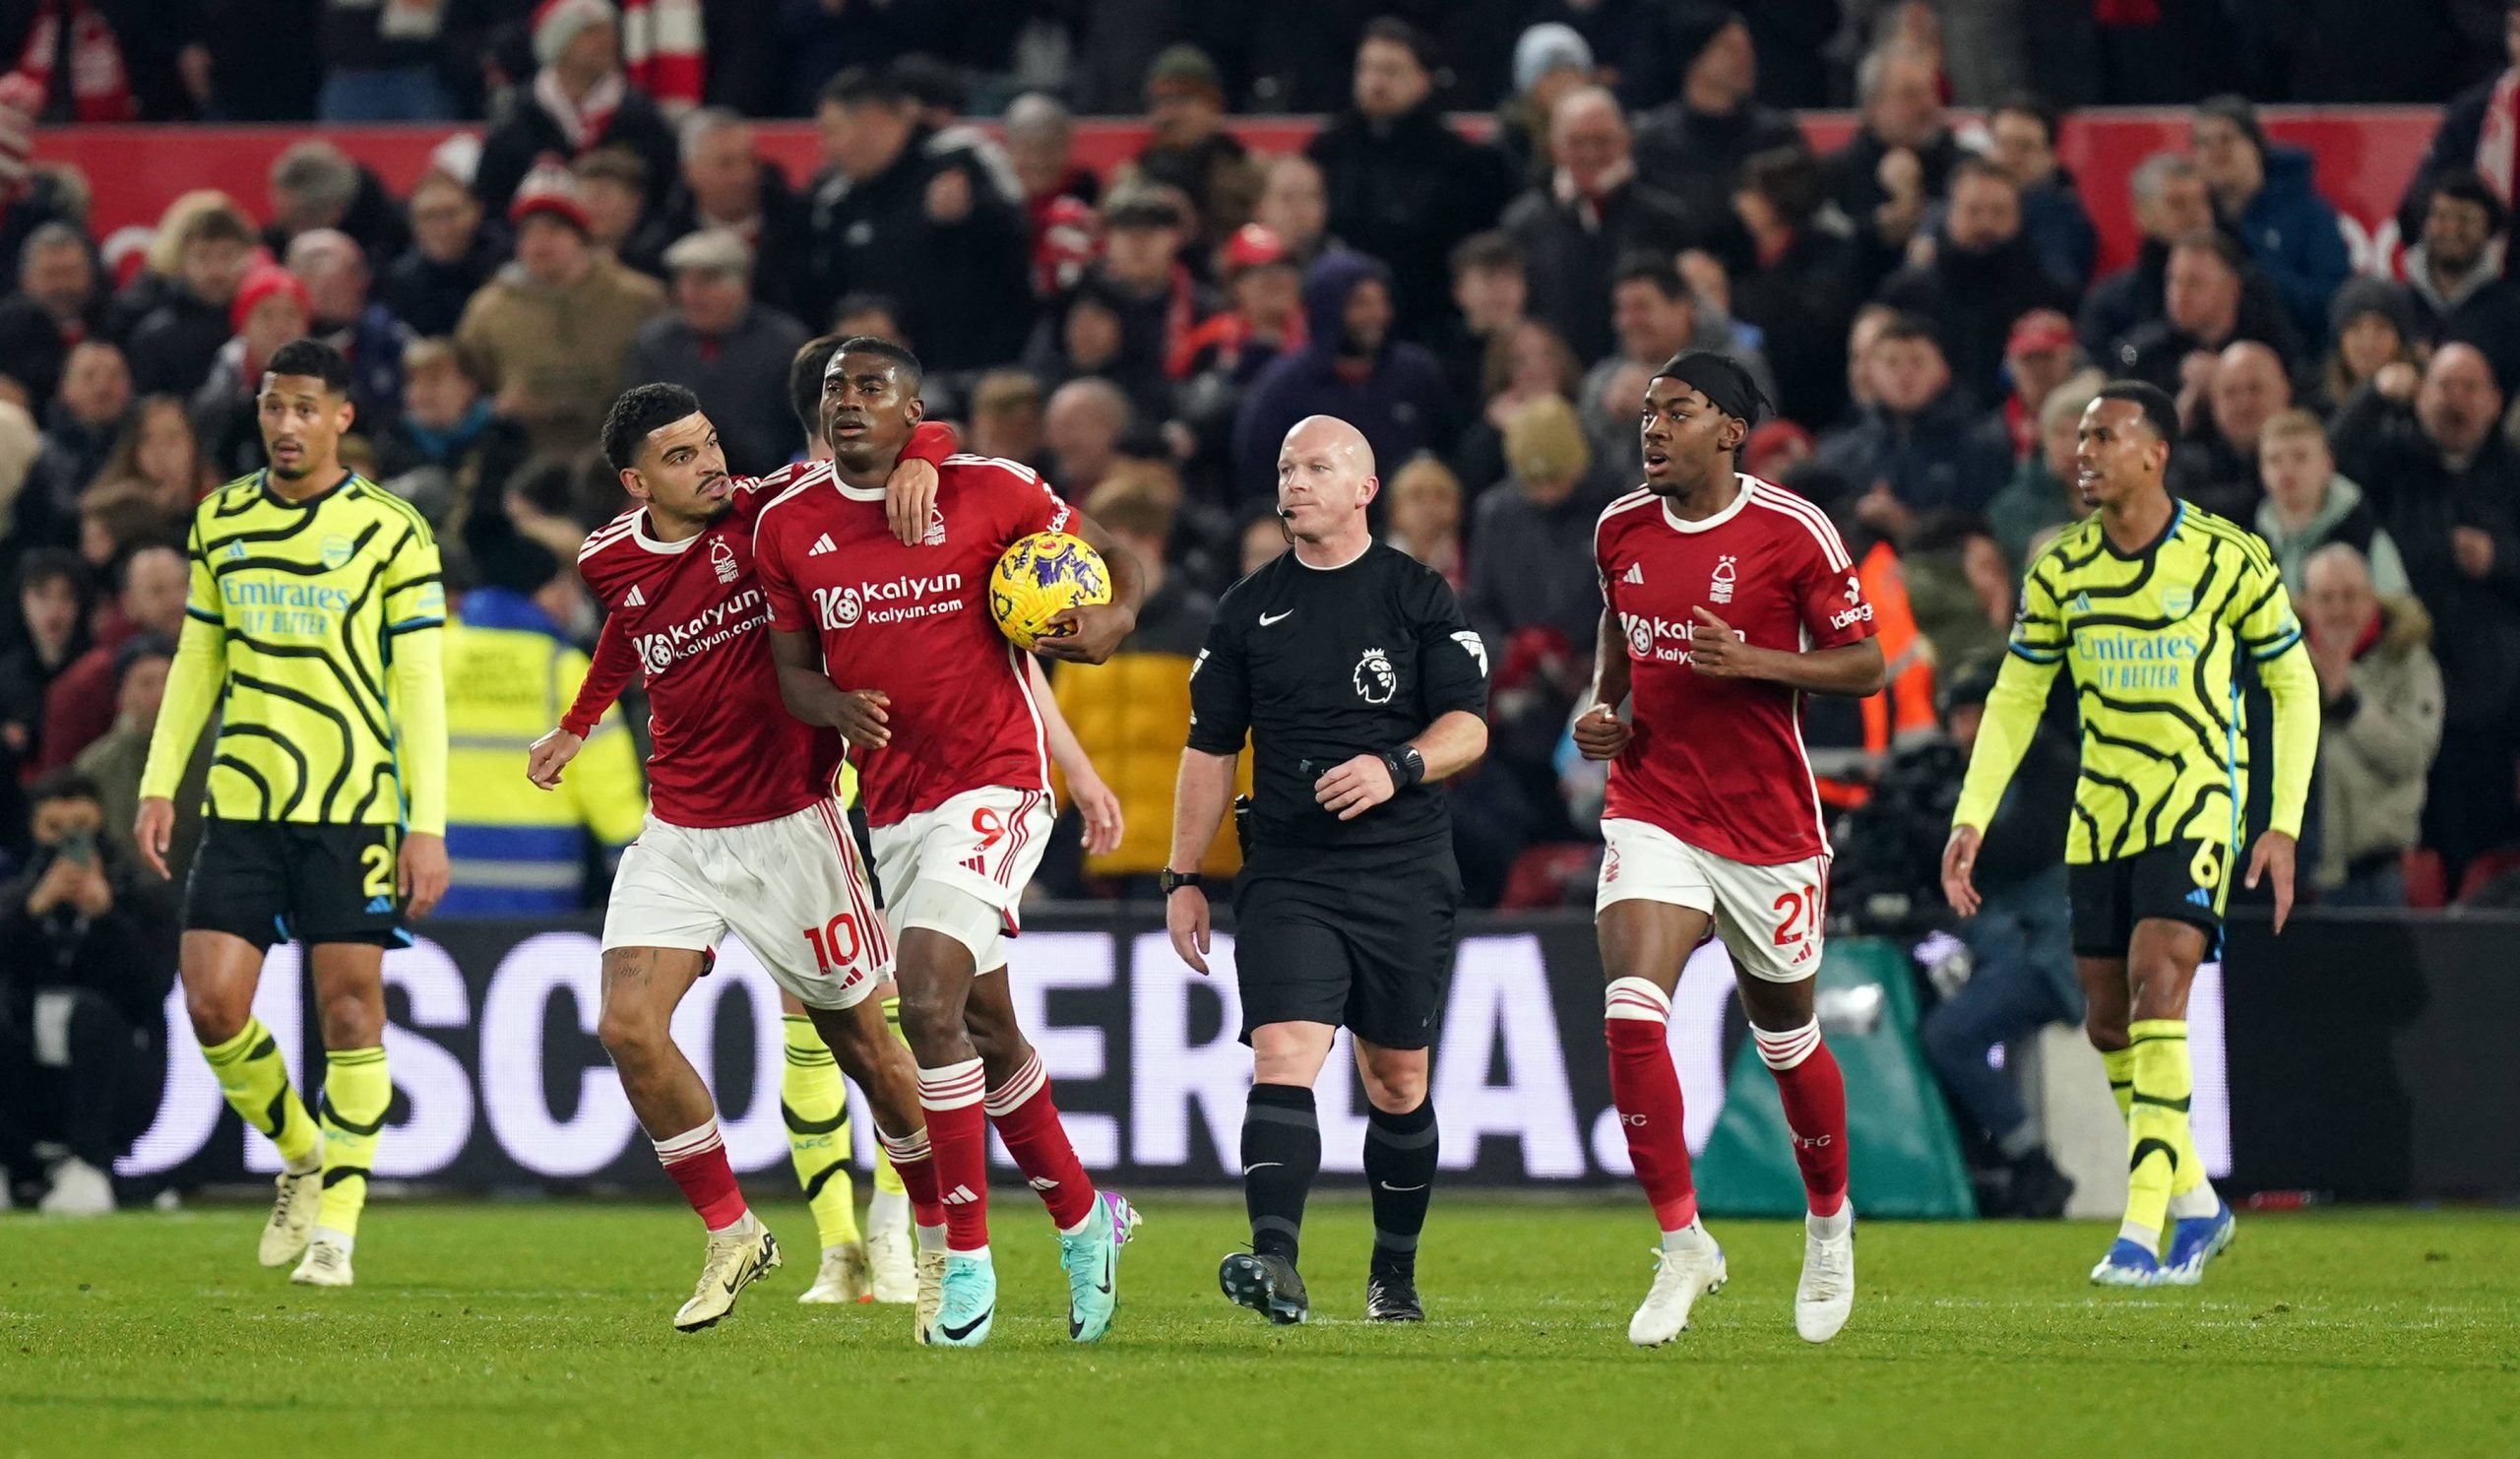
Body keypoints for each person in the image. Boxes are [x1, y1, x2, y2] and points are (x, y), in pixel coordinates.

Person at [519, 381, 951, 1332]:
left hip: (794, 824)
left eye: (711, 443)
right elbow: (629, 637)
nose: (710, 463)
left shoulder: (776, 512)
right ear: (638, 483)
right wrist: (577, 727)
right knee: (627, 1026)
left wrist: (920, 457)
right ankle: (732, 1232)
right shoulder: (605, 559)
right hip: (677, 831)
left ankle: (937, 1241)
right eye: (682, 457)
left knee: (867, 1051)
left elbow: (906, 444)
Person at [753, 338, 1148, 1348]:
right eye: (836, 389)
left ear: (913, 407)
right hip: (891, 806)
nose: (851, 403)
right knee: (983, 1028)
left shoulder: (992, 491)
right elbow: (792, 671)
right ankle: (1083, 1216)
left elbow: (1120, 558)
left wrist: (1112, 623)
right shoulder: (788, 526)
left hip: (998, 785)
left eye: (873, 389)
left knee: (921, 995)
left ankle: (962, 1263)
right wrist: (833, 702)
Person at [1943, 381, 2317, 1288]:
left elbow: (2293, 683)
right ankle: (2198, 1204)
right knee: (2110, 1023)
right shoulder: (2060, 570)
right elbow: (2017, 697)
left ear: (2155, 453)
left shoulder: (2227, 557)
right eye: (2078, 438)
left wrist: (2280, 822)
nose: (2084, 452)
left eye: (2104, 437)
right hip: (2099, 817)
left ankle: (2141, 1231)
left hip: (2194, 804)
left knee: (2161, 988)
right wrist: (1971, 815)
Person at [1573, 352, 1881, 1347]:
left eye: (1676, 412)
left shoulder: (1791, 531)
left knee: (1785, 1037)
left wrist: (1751, 660)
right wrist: (1601, 710)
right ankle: (1681, 1245)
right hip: (1652, 802)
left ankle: (1827, 1220)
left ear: (1730, 430)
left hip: (1765, 827)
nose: (1652, 429)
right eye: (1647, 414)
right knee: (1630, 1013)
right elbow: (1617, 638)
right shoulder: (1618, 527)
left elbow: (1865, 664)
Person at [132, 337, 451, 1290]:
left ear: (342, 418)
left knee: (351, 1012)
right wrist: (160, 780)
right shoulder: (220, 520)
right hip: (243, 801)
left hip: (353, 806)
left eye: (306, 408)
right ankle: (304, 1155)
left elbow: (419, 687)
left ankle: (337, 1234)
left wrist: (424, 824)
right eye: (274, 407)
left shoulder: (395, 532)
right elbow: (198, 662)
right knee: (211, 1003)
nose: (286, 425)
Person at [1165, 413, 1487, 1325]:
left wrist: (1398, 765)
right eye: (1285, 467)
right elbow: (1209, 749)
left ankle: (1393, 1275)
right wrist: (1183, 875)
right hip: (1291, 870)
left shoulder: (1417, 595)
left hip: (1403, 870)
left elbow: (1469, 726)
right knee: (1284, 1052)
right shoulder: (1246, 608)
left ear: (1364, 489)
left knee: (1397, 1080)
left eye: (1317, 467)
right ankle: (1276, 1262)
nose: (1295, 482)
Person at [2329, 346, 2520, 883]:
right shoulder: (2392, 458)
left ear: (2495, 402)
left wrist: (2499, 559)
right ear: (2420, 395)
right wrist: (2372, 396)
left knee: (2475, 853)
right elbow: (2331, 470)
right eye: (2442, 387)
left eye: (2469, 389)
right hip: (2398, 692)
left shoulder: (2511, 472)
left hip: (2486, 709)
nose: (2454, 403)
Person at [1915, 666, 2079, 1219]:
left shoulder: (2049, 771)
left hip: (2051, 953)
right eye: (1961, 718)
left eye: (1978, 715)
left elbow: (2020, 850)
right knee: (1935, 1005)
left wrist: (1935, 835)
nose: (1969, 731)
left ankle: (2028, 1158)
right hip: (2012, 945)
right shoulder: (1971, 778)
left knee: (1950, 1034)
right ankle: (1987, 1158)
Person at [0, 769, 177, 1215]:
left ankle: (89, 1164)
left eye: (80, 828)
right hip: (24, 1075)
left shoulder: (144, 897)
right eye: (54, 830)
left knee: (88, 1015)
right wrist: (31, 910)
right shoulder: (11, 898)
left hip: (116, 1069)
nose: (67, 843)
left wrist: (107, 917)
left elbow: (153, 990)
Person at [806, 67, 1032, 371]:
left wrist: (976, 215)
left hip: (981, 369)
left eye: (832, 131)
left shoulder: (961, 157)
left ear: (872, 120)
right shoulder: (836, 200)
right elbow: (825, 291)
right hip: (882, 383)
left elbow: (1022, 237)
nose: (826, 147)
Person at [1304, 19, 1514, 343]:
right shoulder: (1326, 152)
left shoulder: (1463, 163)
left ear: (1422, 80)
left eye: (1391, 70)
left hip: (1429, 330)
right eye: (1367, 69)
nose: (1376, 82)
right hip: (1339, 328)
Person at [456, 171, 666, 457]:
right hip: (525, 458)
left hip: (620, 459)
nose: (540, 242)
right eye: (528, 231)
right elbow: (470, 382)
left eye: (554, 229)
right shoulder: (488, 310)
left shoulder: (639, 299)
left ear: (581, 236)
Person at [1233, 251, 1449, 506]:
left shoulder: (1416, 373)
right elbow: (1257, 469)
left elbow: (1447, 450)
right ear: (1328, 309)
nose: (1377, 314)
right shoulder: (1285, 386)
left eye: (1381, 301)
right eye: (1360, 303)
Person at [1502, 87, 1697, 365]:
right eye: (1577, 142)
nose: (1591, 153)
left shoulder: (1666, 219)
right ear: (1554, 147)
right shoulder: (1522, 223)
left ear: (1626, 140)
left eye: (1603, 140)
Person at [2300, 543, 2442, 908]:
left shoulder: (2409, 664)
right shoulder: (2276, 662)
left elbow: (2411, 754)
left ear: (2372, 598)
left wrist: (2348, 703)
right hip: (2288, 873)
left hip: (2373, 875)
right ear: (2306, 603)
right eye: (2325, 597)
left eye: (2350, 596)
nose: (2337, 609)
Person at [1875, 158, 2078, 408]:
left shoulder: (2048, 293)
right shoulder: (1907, 294)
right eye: (1973, 211)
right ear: (1949, 214)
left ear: (2018, 216)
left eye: (1999, 212)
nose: (1985, 224)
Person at [472, 0, 679, 222]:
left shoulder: (641, 116)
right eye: (590, 32)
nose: (605, 42)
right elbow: (491, 201)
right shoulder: (516, 117)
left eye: (609, 31)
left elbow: (665, 197)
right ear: (557, 43)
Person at [630, 229, 809, 477]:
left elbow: (800, 431)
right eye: (686, 282)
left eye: (707, 282)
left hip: (763, 482)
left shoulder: (784, 344)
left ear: (742, 284)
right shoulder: (656, 344)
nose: (693, 295)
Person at [1816, 316, 2010, 531]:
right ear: (1870, 374)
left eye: (1917, 361)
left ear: (1944, 371)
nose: (1904, 374)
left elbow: (1987, 528)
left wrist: (1909, 526)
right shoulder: (1840, 454)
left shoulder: (1981, 448)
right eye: (1892, 363)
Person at [2189, 96, 2349, 349]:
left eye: (2226, 139)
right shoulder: (2193, 222)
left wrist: (2254, 266)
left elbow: (2332, 302)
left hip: (2295, 359)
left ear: (2255, 145)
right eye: (2203, 143)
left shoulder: (2307, 213)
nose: (2215, 152)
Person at [1630, 7, 1799, 244]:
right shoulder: (1654, 141)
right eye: (1730, 49)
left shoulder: (1776, 135)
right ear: (1694, 57)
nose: (1745, 58)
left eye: (1747, 48)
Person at [1729, 145, 1865, 429]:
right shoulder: (1739, 254)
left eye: (1750, 193)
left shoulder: (1829, 258)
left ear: (1776, 201)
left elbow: (1810, 333)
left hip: (1815, 406)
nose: (1739, 202)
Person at [38, 540, 183, 773]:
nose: (177, 600)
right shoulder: (86, 683)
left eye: (183, 586)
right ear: (129, 603)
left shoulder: (223, 650)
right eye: (158, 591)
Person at [2078, 154, 2216, 359]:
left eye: (2201, 201)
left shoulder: (2242, 285)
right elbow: (2105, 364)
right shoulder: (2110, 302)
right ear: (2141, 212)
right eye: (2177, 203)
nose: (2195, 213)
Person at [2395, 170, 2520, 395]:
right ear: (2423, 225)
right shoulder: (2395, 302)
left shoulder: (2510, 310)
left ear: (2488, 230)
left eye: (2465, 219)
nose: (2452, 229)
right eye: (2441, 217)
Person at [1133, 45, 1256, 240]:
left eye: (1182, 101)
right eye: (1160, 102)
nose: (1168, 115)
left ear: (1214, 107)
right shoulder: (1133, 177)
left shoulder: (1250, 173)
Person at [1985, 95, 2097, 292]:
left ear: (2051, 157)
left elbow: (2060, 285)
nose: (2010, 158)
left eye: (2025, 147)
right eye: (2002, 144)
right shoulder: (1958, 204)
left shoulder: (2064, 221)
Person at [381, 169, 505, 342]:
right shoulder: (398, 282)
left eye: (451, 213)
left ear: (476, 212)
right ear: (412, 222)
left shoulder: (503, 268)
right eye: (429, 216)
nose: (442, 228)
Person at [0, 220, 106, 410]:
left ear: (89, 274)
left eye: (70, 273)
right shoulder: (6, 330)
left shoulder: (113, 320)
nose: (62, 286)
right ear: (26, 279)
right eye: (51, 274)